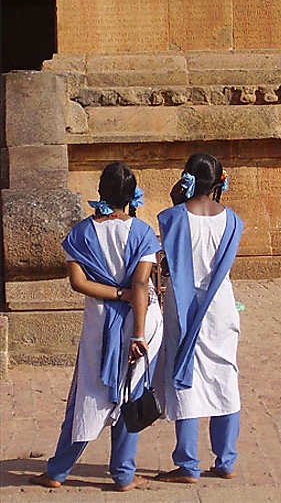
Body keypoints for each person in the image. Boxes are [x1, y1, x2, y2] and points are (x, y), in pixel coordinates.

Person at [31, 162, 162, 492]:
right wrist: (138, 334)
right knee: (130, 393)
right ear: (132, 196)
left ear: (100, 192)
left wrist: (117, 294)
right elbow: (141, 285)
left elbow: (78, 283)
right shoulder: (144, 233)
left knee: (86, 396)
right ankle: (123, 473)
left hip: (99, 324)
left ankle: (58, 470)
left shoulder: (81, 234)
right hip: (141, 321)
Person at [156, 153, 243, 483]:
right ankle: (226, 459)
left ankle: (188, 463)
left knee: (185, 376)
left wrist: (176, 201)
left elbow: (170, 262)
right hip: (220, 306)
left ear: (186, 179)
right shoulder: (232, 220)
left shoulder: (174, 217)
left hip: (184, 305)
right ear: (221, 181)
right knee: (225, 376)